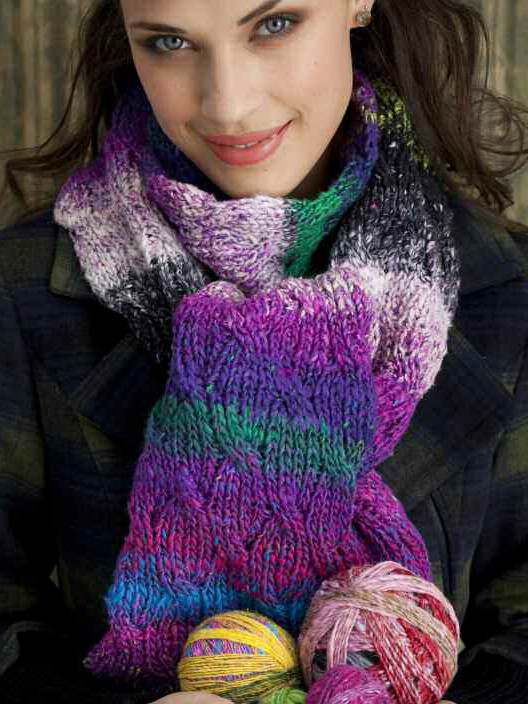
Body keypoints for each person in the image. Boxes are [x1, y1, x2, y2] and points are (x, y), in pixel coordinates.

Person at [1, 1, 528, 703]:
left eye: (274, 25)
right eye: (169, 42)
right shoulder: (24, 289)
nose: (229, 104)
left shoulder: (510, 295)